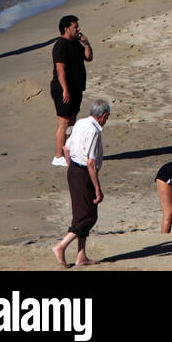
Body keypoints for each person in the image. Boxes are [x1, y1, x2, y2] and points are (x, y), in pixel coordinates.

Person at [52, 99, 111, 268]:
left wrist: (73, 169)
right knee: (89, 216)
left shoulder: (80, 123)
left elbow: (66, 149)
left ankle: (81, 256)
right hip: (83, 173)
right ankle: (61, 246)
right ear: (103, 116)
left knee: (80, 214)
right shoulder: (93, 131)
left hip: (74, 171)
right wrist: (98, 188)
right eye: (107, 117)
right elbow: (91, 162)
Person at [50, 14, 93, 166]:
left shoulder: (75, 43)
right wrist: (65, 90)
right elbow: (60, 70)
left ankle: (69, 152)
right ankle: (58, 156)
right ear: (66, 29)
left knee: (72, 122)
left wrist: (86, 44)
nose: (78, 29)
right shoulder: (61, 45)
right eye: (75, 27)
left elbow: (88, 57)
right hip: (63, 89)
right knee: (64, 122)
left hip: (76, 88)